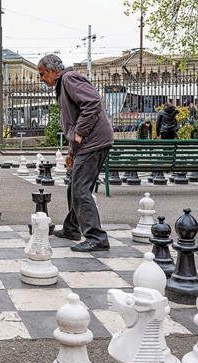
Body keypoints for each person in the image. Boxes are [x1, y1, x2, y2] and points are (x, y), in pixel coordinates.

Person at [37, 54, 114, 252]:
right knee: (74, 186)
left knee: (80, 189)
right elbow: (73, 121)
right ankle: (72, 228)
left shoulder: (69, 79)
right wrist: (71, 152)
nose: (41, 79)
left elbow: (92, 102)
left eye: (42, 74)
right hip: (90, 142)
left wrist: (80, 133)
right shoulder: (63, 83)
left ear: (53, 71)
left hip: (94, 141)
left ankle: (97, 237)